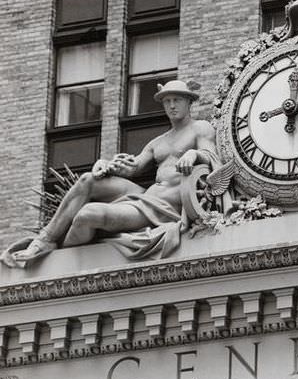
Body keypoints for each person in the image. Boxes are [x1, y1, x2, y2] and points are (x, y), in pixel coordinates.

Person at [2, 80, 220, 267]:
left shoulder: (200, 128)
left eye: (177, 100)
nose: (172, 106)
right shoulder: (158, 142)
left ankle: (61, 253)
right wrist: (106, 165)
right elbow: (133, 167)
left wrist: (194, 154)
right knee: (88, 179)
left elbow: (213, 161)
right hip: (147, 195)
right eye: (167, 101)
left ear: (189, 102)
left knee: (87, 215)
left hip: (165, 209)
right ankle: (45, 240)